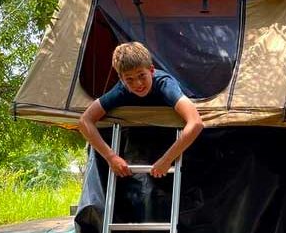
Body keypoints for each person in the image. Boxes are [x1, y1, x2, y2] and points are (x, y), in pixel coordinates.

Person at [79, 41, 204, 178]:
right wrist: (111, 157)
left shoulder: (165, 85)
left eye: (141, 76)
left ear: (151, 70)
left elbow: (196, 123)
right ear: (122, 80)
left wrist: (167, 160)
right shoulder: (121, 90)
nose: (137, 84)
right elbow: (85, 120)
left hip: (173, 144)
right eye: (129, 79)